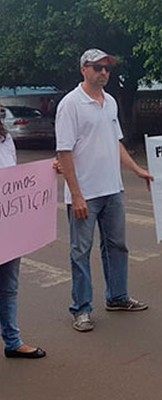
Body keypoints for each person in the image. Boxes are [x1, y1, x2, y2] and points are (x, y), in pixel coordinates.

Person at [56, 49, 153, 332]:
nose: (103, 73)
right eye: (97, 68)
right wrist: (76, 195)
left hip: (113, 189)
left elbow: (116, 142)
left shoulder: (109, 102)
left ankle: (118, 297)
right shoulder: (70, 104)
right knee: (80, 251)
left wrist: (136, 169)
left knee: (117, 246)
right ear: (84, 70)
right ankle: (82, 309)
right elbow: (64, 152)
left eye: (107, 69)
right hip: (85, 193)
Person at [0, 105, 46, 359]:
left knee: (8, 286)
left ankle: (13, 341)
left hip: (7, 225)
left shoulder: (5, 139)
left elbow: (15, 179)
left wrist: (48, 174)